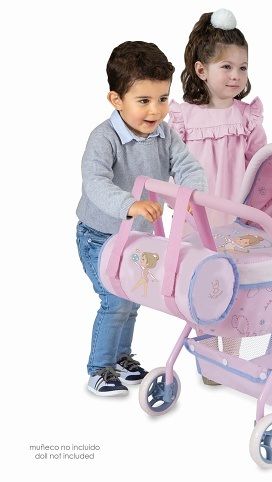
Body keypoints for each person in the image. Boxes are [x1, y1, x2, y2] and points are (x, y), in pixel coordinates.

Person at [76, 41, 207, 396]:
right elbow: (95, 182)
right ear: (116, 100)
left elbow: (187, 166)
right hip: (99, 235)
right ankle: (99, 369)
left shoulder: (165, 135)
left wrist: (193, 194)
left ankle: (121, 358)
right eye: (144, 100)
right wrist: (130, 204)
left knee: (133, 298)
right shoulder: (104, 138)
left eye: (163, 99)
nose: (155, 110)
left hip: (138, 237)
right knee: (116, 299)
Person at [169, 8, 267, 385]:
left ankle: (231, 356)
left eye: (242, 68)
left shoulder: (247, 117)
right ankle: (208, 355)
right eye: (226, 67)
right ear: (201, 70)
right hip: (199, 216)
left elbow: (260, 162)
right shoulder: (184, 118)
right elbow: (172, 164)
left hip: (236, 214)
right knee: (202, 282)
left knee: (235, 282)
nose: (236, 76)